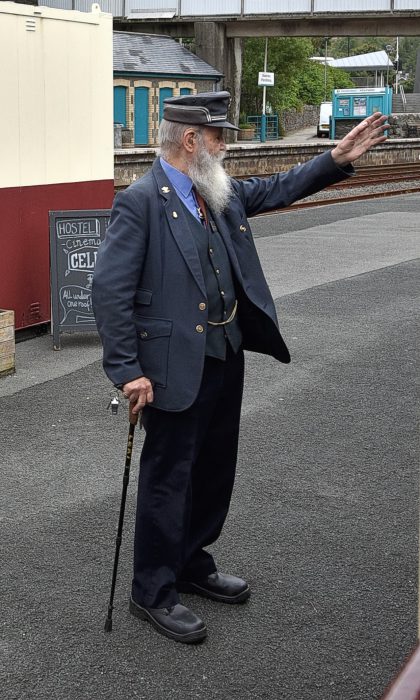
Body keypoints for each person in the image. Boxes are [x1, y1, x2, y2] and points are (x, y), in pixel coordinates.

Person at [92, 91, 387, 644]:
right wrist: (127, 370)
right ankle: (151, 590)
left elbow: (274, 190)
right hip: (169, 368)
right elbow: (108, 292)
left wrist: (336, 159)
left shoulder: (214, 192)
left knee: (212, 469)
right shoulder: (141, 201)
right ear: (190, 140)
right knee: (167, 478)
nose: (227, 145)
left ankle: (190, 561)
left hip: (223, 355)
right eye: (219, 136)